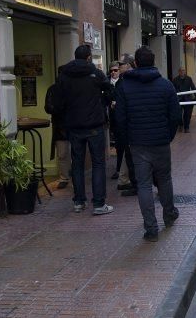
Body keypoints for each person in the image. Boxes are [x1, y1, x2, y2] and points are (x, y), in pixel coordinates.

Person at [114, 46, 181, 242]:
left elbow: (120, 118)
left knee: (143, 185)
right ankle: (169, 214)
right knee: (165, 180)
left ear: (136, 63)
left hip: (138, 143)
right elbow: (175, 115)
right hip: (160, 142)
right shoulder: (166, 85)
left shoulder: (125, 86)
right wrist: (168, 135)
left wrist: (127, 139)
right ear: (153, 62)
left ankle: (151, 228)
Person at [57, 45, 113, 215]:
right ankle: (98, 204)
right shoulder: (95, 73)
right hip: (94, 124)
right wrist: (101, 103)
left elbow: (59, 98)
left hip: (74, 125)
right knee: (98, 163)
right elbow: (110, 90)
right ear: (89, 57)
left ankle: (79, 202)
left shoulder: (64, 74)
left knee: (77, 164)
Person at [112, 55, 138, 196]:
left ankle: (136, 183)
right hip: (128, 126)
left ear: (128, 65)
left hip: (130, 126)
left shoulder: (127, 82)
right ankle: (124, 179)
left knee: (133, 156)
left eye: (121, 64)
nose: (119, 66)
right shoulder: (122, 81)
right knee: (127, 155)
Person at [44, 66, 70, 190]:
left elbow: (48, 107)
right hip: (62, 126)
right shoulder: (53, 89)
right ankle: (64, 177)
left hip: (68, 125)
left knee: (64, 154)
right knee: (63, 154)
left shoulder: (70, 88)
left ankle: (66, 176)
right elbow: (48, 107)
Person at [172, 68, 196, 133]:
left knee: (187, 114)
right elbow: (173, 89)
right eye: (181, 71)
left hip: (187, 99)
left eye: (183, 71)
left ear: (185, 71)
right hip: (179, 99)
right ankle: (180, 124)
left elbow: (193, 87)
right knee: (178, 114)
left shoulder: (189, 79)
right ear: (179, 72)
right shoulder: (175, 80)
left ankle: (186, 127)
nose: (182, 72)